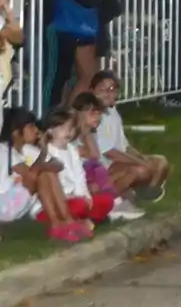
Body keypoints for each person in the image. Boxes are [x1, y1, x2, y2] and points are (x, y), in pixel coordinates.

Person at [1, 107, 90, 243]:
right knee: (41, 174)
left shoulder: (26, 150)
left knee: (45, 172)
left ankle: (67, 221)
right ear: (16, 132)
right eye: (31, 127)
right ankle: (57, 224)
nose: (36, 130)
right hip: (5, 206)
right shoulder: (4, 150)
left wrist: (43, 155)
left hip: (21, 203)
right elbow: (31, 175)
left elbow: (57, 165)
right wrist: (42, 160)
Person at [91, 70, 170, 201]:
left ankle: (146, 193)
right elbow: (108, 152)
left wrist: (141, 158)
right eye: (102, 89)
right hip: (105, 166)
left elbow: (124, 146)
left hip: (119, 161)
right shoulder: (94, 116)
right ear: (92, 90)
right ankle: (110, 200)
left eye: (111, 89)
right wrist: (140, 162)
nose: (107, 93)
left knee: (160, 162)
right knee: (141, 169)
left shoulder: (112, 112)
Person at [70, 92, 143, 220]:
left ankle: (116, 201)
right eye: (92, 113)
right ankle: (114, 203)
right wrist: (86, 133)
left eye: (99, 114)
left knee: (133, 171)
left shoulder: (90, 134)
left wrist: (88, 133)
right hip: (82, 182)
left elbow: (97, 159)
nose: (97, 118)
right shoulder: (72, 138)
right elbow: (93, 155)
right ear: (79, 114)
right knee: (112, 174)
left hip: (97, 175)